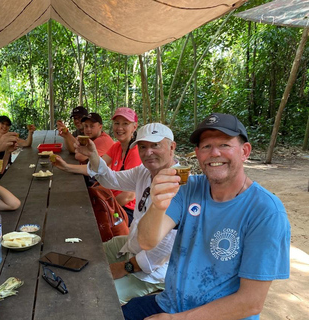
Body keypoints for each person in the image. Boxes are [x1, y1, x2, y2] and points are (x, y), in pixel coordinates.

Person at [123, 113, 291, 320]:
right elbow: (147, 241)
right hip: (170, 303)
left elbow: (251, 302)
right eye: (206, 147)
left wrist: (177, 319)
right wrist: (157, 205)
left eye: (225, 145)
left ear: (244, 151)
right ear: (197, 154)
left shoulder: (266, 212)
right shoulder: (188, 188)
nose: (214, 153)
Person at [77, 123, 177, 305]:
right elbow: (111, 179)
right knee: (86, 255)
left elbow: (162, 252)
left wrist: (126, 267)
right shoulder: (144, 172)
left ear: (172, 147)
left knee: (101, 296)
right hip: (132, 245)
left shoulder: (180, 185)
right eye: (143, 147)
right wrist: (93, 155)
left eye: (155, 145)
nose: (148, 152)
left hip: (153, 272)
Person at [54, 107, 141, 225]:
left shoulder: (135, 152)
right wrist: (66, 167)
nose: (119, 128)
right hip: (110, 199)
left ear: (134, 127)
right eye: (116, 123)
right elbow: (95, 168)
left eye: (125, 124)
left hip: (126, 210)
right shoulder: (117, 147)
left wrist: (104, 209)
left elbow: (128, 196)